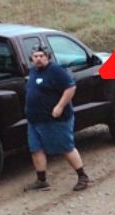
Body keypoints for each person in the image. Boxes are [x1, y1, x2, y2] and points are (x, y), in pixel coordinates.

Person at [24, 45, 89, 192]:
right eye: (35, 56)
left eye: (41, 56)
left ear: (47, 57)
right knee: (35, 149)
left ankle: (82, 176)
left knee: (66, 147)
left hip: (55, 119)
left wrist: (60, 106)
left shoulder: (56, 71)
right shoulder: (33, 71)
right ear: (32, 58)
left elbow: (71, 87)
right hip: (35, 119)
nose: (38, 59)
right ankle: (41, 181)